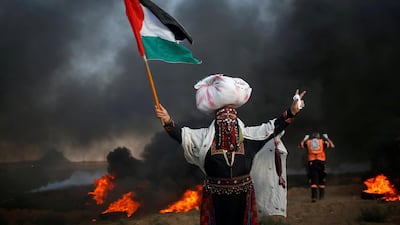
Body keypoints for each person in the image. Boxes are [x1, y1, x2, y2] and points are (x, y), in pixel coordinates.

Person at [155, 74, 305, 225]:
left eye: (231, 120)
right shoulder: (204, 138)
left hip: (243, 197)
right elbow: (181, 135)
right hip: (216, 198)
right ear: (216, 121)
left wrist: (291, 112)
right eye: (222, 120)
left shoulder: (250, 136)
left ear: (237, 121)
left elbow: (272, 127)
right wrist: (167, 120)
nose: (227, 123)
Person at [299, 132, 335, 202]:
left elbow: (300, 146)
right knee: (322, 179)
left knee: (313, 180)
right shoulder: (322, 142)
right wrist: (327, 138)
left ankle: (314, 197)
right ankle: (321, 197)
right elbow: (332, 145)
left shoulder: (308, 142)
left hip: (312, 163)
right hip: (321, 162)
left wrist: (305, 138)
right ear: (318, 137)